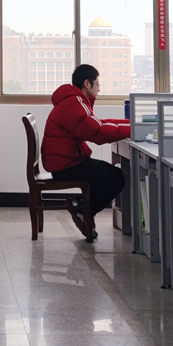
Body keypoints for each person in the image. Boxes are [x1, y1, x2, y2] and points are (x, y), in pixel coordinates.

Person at [40, 64, 131, 241]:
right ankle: (81, 209)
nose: (99, 89)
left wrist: (130, 124)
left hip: (67, 160)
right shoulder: (73, 103)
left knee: (113, 173)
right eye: (97, 84)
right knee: (115, 177)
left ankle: (80, 206)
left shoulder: (74, 100)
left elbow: (98, 123)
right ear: (87, 84)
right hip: (65, 166)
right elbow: (97, 133)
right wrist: (132, 130)